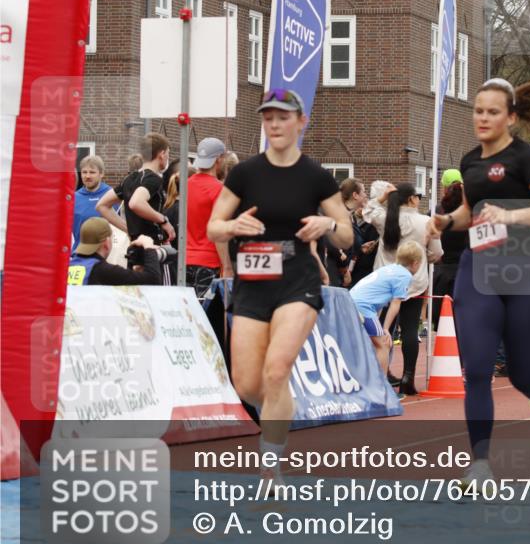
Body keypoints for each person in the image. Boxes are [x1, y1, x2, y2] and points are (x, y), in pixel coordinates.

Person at [206, 88, 352, 482]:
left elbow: (347, 238)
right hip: (253, 282)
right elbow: (213, 225)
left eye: (283, 117)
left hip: (297, 281)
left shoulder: (317, 177)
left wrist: (329, 224)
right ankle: (279, 403)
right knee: (249, 383)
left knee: (276, 370)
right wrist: (233, 226)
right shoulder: (245, 173)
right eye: (268, 117)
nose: (274, 124)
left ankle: (270, 466)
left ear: (300, 122)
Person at [430, 77, 530, 487]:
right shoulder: (470, 160)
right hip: (480, 268)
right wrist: (444, 221)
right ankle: (480, 464)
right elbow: (471, 212)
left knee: (523, 374)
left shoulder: (527, 158)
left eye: (493, 112)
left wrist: (510, 216)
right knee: (475, 369)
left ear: (510, 117)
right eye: (478, 111)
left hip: (526, 271)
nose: (483, 118)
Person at [366, 181, 443, 395]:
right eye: (418, 196)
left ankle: (380, 374)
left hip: (385, 281)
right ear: (412, 199)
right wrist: (423, 259)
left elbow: (367, 211)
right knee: (410, 330)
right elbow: (437, 253)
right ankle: (408, 376)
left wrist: (382, 198)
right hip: (413, 281)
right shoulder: (426, 221)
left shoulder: (385, 219)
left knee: (382, 329)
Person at [350, 241, 422, 375]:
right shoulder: (404, 275)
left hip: (352, 301)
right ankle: (381, 386)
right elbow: (395, 304)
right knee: (384, 344)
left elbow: (380, 301)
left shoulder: (390, 268)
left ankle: (366, 379)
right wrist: (386, 329)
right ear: (415, 263)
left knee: (365, 344)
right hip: (363, 306)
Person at [96, 133, 175, 246]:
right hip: (151, 247)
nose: (168, 157)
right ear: (162, 154)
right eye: (168, 153)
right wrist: (163, 220)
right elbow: (136, 202)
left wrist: (128, 229)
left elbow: (102, 205)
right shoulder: (153, 179)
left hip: (134, 246)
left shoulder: (129, 179)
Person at [186, 137, 233, 299]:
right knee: (208, 317)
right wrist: (227, 267)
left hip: (184, 261)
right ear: (219, 159)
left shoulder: (185, 186)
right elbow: (219, 233)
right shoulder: (219, 190)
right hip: (209, 262)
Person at [67, 218, 166, 286]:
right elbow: (153, 279)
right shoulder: (101, 270)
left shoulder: (69, 267)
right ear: (107, 242)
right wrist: (148, 246)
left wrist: (134, 273)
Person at [432, 168, 468, 330]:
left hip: (443, 273)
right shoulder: (472, 213)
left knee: (443, 324)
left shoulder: (437, 212)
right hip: (467, 272)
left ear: (444, 188)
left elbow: (432, 242)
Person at [341, 178, 378, 287]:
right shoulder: (340, 215)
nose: (366, 195)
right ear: (355, 195)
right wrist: (344, 270)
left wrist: (360, 248)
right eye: (363, 191)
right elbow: (334, 246)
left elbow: (348, 246)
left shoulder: (350, 217)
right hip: (337, 275)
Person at [72, 155, 111, 250]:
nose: (87, 176)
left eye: (92, 172)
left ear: (101, 174)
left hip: (104, 256)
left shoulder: (111, 195)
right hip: (79, 254)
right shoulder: (74, 198)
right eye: (84, 172)